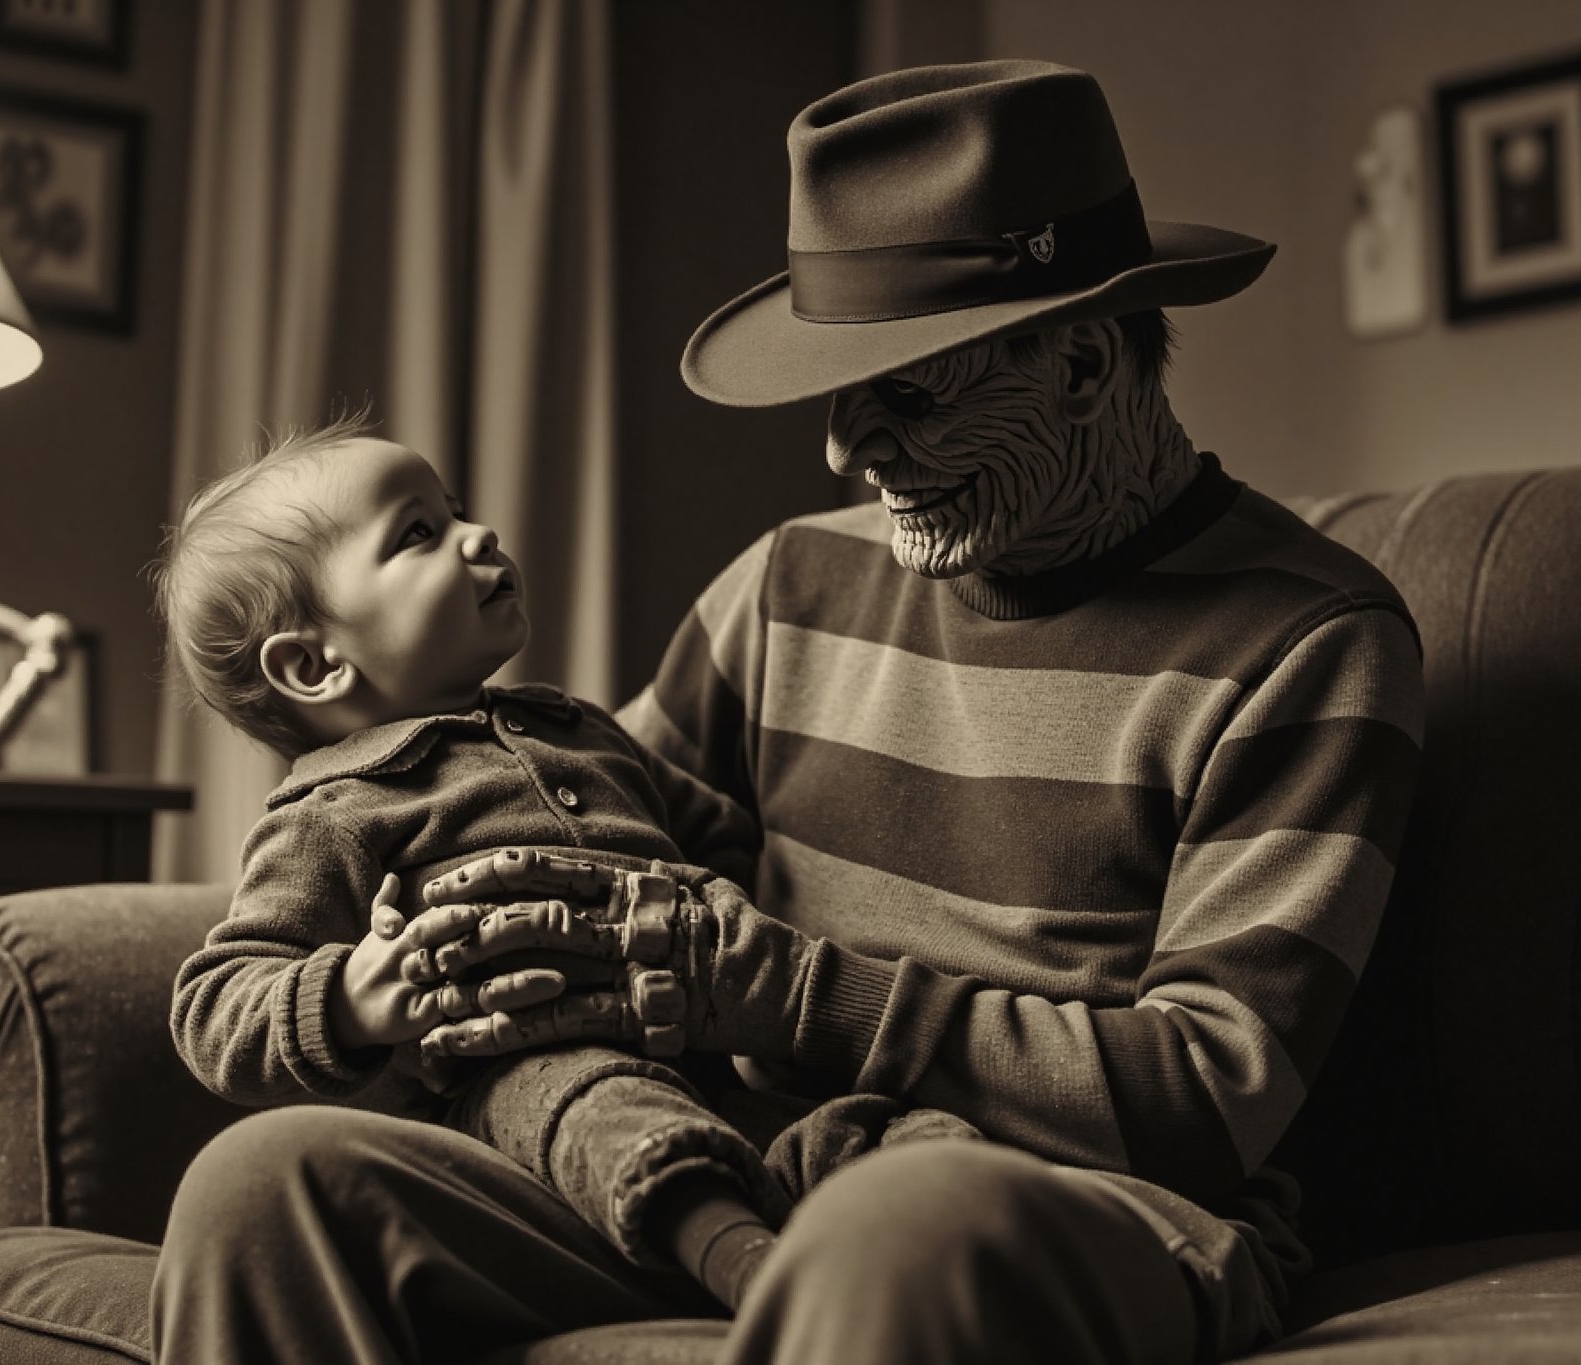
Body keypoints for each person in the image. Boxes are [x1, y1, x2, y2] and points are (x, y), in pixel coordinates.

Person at [153, 59, 1425, 1365]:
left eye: (910, 392)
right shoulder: (787, 585)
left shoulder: (1311, 643)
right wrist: (432, 966)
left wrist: (777, 992)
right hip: (737, 1171)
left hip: (1064, 1204)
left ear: (1087, 365)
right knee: (270, 1188)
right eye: (836, 385)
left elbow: (1211, 1099)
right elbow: (593, 866)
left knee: (896, 1221)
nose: (842, 451)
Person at [150, 421, 807, 1321]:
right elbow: (215, 1003)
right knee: (600, 1105)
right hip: (519, 1083)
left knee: (860, 1124)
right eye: (418, 533)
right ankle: (760, 1280)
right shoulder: (334, 812)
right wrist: (349, 995)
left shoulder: (581, 725)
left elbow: (715, 832)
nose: (479, 534)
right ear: (312, 664)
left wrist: (725, 930)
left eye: (455, 511)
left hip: (712, 1051)